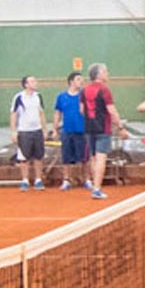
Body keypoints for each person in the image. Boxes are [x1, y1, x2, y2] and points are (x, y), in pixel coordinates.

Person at [80, 62, 123, 200]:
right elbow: (111, 110)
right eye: (106, 71)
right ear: (99, 75)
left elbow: (81, 110)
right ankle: (97, 189)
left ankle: (95, 186)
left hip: (89, 128)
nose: (108, 74)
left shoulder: (84, 90)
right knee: (101, 158)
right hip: (103, 129)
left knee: (93, 158)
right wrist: (121, 126)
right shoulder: (104, 90)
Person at [11, 74, 47, 190]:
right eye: (32, 81)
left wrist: (44, 129)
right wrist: (13, 131)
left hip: (37, 130)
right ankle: (25, 180)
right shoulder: (18, 98)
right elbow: (13, 114)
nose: (35, 83)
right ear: (26, 85)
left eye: (35, 81)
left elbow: (41, 113)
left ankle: (38, 180)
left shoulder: (38, 96)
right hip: (24, 131)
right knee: (23, 158)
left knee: (38, 156)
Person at [54, 71, 88, 191]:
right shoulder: (61, 97)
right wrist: (55, 129)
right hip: (67, 130)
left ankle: (87, 180)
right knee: (66, 158)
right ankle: (66, 180)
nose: (81, 81)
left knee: (84, 158)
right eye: (78, 79)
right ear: (71, 82)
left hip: (82, 130)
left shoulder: (84, 95)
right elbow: (58, 113)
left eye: (82, 79)